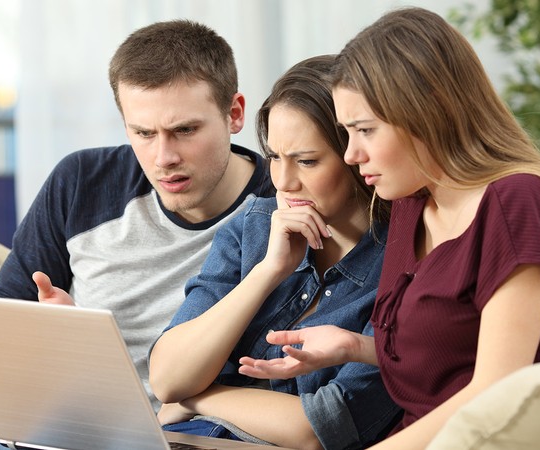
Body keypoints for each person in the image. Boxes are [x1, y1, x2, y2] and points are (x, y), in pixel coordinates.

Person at [0, 19, 273, 450]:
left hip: (149, 434)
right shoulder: (82, 180)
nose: (163, 157)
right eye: (143, 132)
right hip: (29, 397)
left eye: (185, 131)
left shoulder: (280, 208)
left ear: (234, 114)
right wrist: (51, 334)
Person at [238, 7, 540, 450]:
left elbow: (495, 396)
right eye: (346, 133)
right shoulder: (410, 206)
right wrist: (354, 347)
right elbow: (452, 357)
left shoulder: (519, 203)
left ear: (425, 113)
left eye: (364, 130)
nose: (351, 154)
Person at [147, 55, 400, 450]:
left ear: (356, 155)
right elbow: (166, 378)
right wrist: (269, 270)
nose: (283, 181)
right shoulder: (256, 225)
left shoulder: (400, 261)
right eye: (275, 157)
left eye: (307, 161)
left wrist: (200, 396)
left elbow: (321, 428)